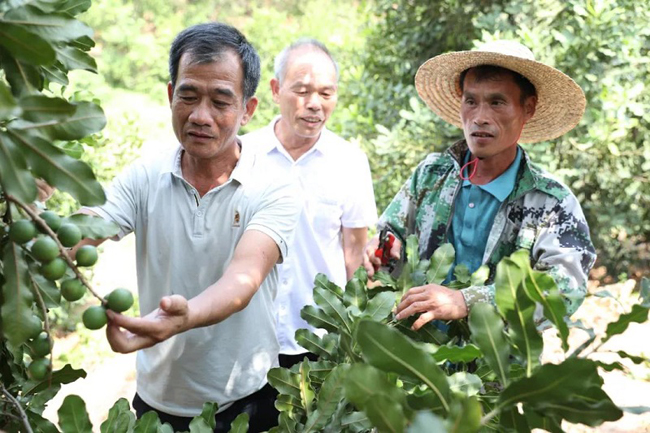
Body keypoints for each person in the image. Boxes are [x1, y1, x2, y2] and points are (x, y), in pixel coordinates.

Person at [78, 22, 300, 432]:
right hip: (158, 400)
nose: (200, 116)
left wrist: (185, 316)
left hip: (246, 400)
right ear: (170, 95)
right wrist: (33, 205)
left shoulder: (275, 186)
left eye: (220, 101)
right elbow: (85, 231)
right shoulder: (146, 176)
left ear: (248, 109)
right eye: (188, 96)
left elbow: (243, 279)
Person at [363, 40, 596, 330]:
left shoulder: (550, 202)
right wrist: (382, 249)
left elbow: (565, 288)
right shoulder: (431, 176)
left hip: (498, 356)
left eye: (497, 103)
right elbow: (391, 237)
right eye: (471, 101)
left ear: (528, 108)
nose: (480, 118)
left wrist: (469, 301)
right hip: (418, 351)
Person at [241, 39, 376, 368]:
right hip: (246, 339)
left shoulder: (350, 162)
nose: (315, 104)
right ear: (276, 90)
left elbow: (354, 254)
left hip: (321, 342)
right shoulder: (243, 155)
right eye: (302, 91)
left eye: (326, 93)